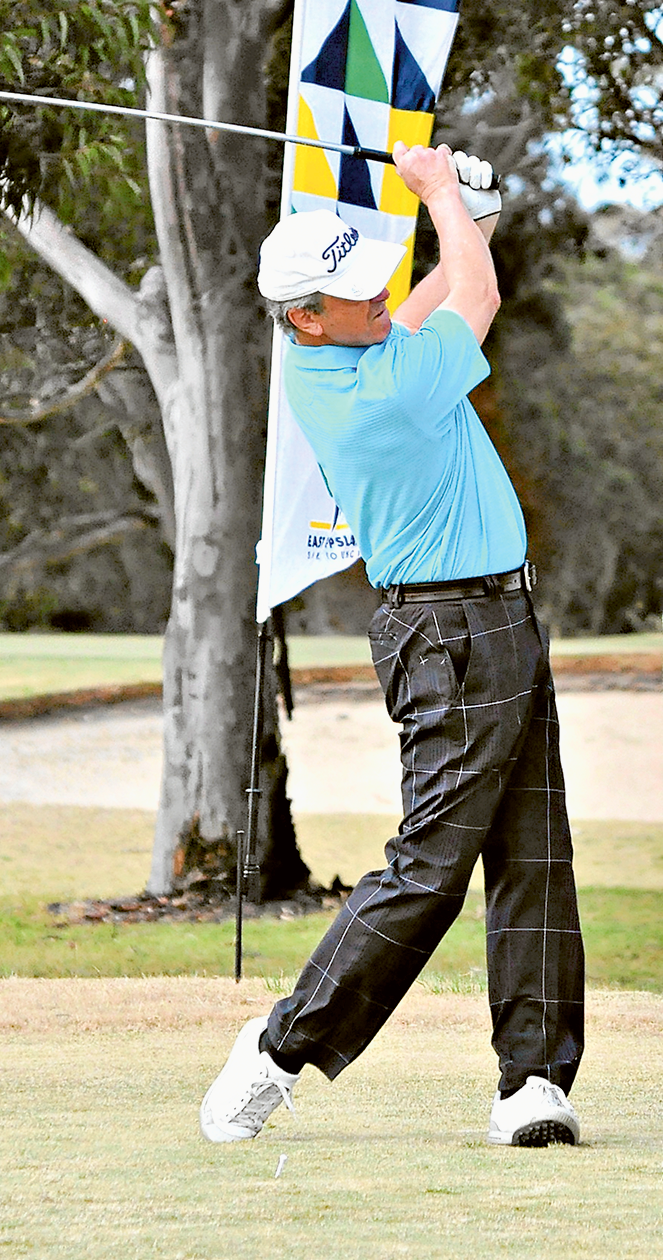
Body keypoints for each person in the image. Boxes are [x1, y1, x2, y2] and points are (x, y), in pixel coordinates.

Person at [200, 143, 584, 1148]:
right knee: (426, 870)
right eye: (352, 294)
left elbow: (422, 307)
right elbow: (476, 295)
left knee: (533, 853)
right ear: (303, 317)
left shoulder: (349, 351)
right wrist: (448, 198)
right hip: (449, 632)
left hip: (495, 616)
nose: (377, 297)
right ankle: (281, 1048)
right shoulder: (378, 393)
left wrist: (472, 216)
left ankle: (531, 1084)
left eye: (371, 280)